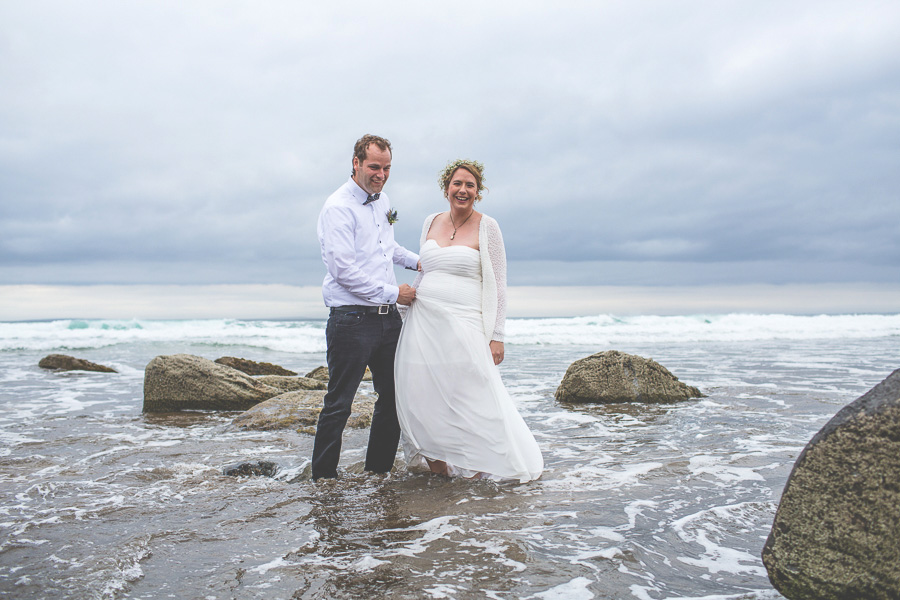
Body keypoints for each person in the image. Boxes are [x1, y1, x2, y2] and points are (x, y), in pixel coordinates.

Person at [394, 159, 543, 483]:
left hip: (466, 324)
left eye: (470, 185)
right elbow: (426, 271)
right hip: (423, 323)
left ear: (478, 191)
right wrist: (403, 308)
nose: (463, 190)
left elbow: (498, 284)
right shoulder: (430, 221)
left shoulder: (488, 226)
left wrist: (497, 335)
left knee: (472, 396)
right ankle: (440, 470)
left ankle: (480, 470)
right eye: (457, 184)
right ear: (446, 188)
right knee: (422, 396)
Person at [312, 134, 420, 480]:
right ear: (356, 163)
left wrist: (422, 262)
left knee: (393, 398)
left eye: (387, 168)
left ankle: (377, 474)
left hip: (388, 321)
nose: (381, 174)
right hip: (352, 320)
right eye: (375, 167)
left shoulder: (383, 200)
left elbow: (388, 248)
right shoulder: (337, 208)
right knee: (339, 404)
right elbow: (343, 271)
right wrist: (394, 293)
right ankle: (323, 480)